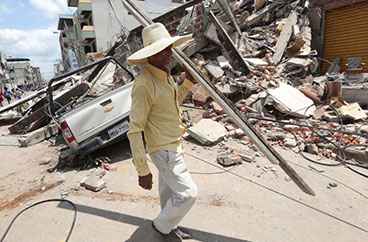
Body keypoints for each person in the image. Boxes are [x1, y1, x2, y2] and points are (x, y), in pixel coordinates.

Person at [127, 23, 198, 242]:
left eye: (169, 48)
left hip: (174, 145)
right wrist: (142, 169)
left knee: (169, 195)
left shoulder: (165, 76)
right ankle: (159, 229)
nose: (168, 53)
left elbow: (171, 104)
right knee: (188, 194)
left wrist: (187, 83)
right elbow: (134, 129)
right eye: (162, 50)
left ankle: (169, 229)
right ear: (150, 54)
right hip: (163, 150)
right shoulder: (144, 84)